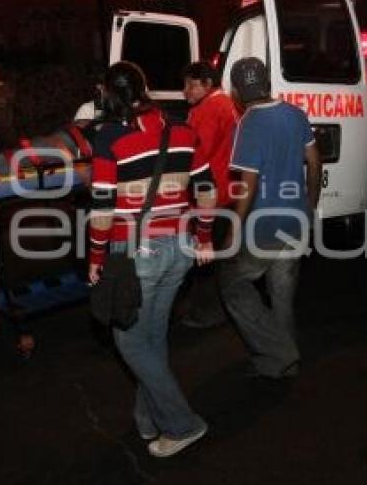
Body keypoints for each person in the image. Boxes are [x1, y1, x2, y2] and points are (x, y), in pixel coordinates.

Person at [87, 61, 216, 458]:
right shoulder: (183, 129)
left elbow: (103, 207)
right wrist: (205, 237)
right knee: (152, 338)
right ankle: (149, 420)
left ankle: (182, 424)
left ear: (107, 93)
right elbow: (207, 189)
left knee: (130, 342)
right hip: (179, 247)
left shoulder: (109, 137)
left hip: (136, 252)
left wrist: (95, 257)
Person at [221, 57, 321, 380]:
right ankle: (285, 363)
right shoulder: (295, 114)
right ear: (267, 83)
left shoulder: (248, 124)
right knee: (281, 296)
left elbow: (247, 186)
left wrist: (233, 231)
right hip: (296, 221)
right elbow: (316, 163)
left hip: (265, 227)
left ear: (236, 91)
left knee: (233, 285)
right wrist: (310, 206)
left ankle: (279, 352)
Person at [179, 61, 241, 329]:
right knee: (219, 256)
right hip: (228, 190)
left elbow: (195, 152)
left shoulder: (209, 108)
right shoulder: (229, 103)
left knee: (204, 258)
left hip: (209, 193)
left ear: (207, 83)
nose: (185, 91)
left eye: (191, 85)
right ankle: (217, 309)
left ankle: (205, 313)